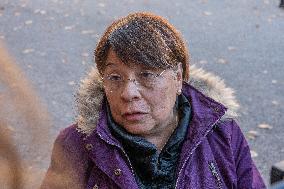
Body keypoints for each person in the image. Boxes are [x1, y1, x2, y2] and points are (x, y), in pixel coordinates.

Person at [40, 12, 266, 189]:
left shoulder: (223, 135)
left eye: (146, 75)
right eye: (115, 77)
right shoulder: (75, 144)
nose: (128, 93)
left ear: (178, 78)